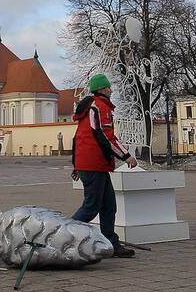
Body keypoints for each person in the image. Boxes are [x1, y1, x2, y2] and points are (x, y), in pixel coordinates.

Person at [71, 74, 138, 258]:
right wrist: (126, 156)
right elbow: (106, 136)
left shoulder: (91, 107)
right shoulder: (100, 106)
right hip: (93, 164)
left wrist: (76, 164)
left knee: (108, 205)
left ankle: (111, 243)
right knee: (91, 207)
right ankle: (63, 234)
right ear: (102, 89)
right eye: (108, 87)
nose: (111, 89)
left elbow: (78, 138)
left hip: (93, 164)